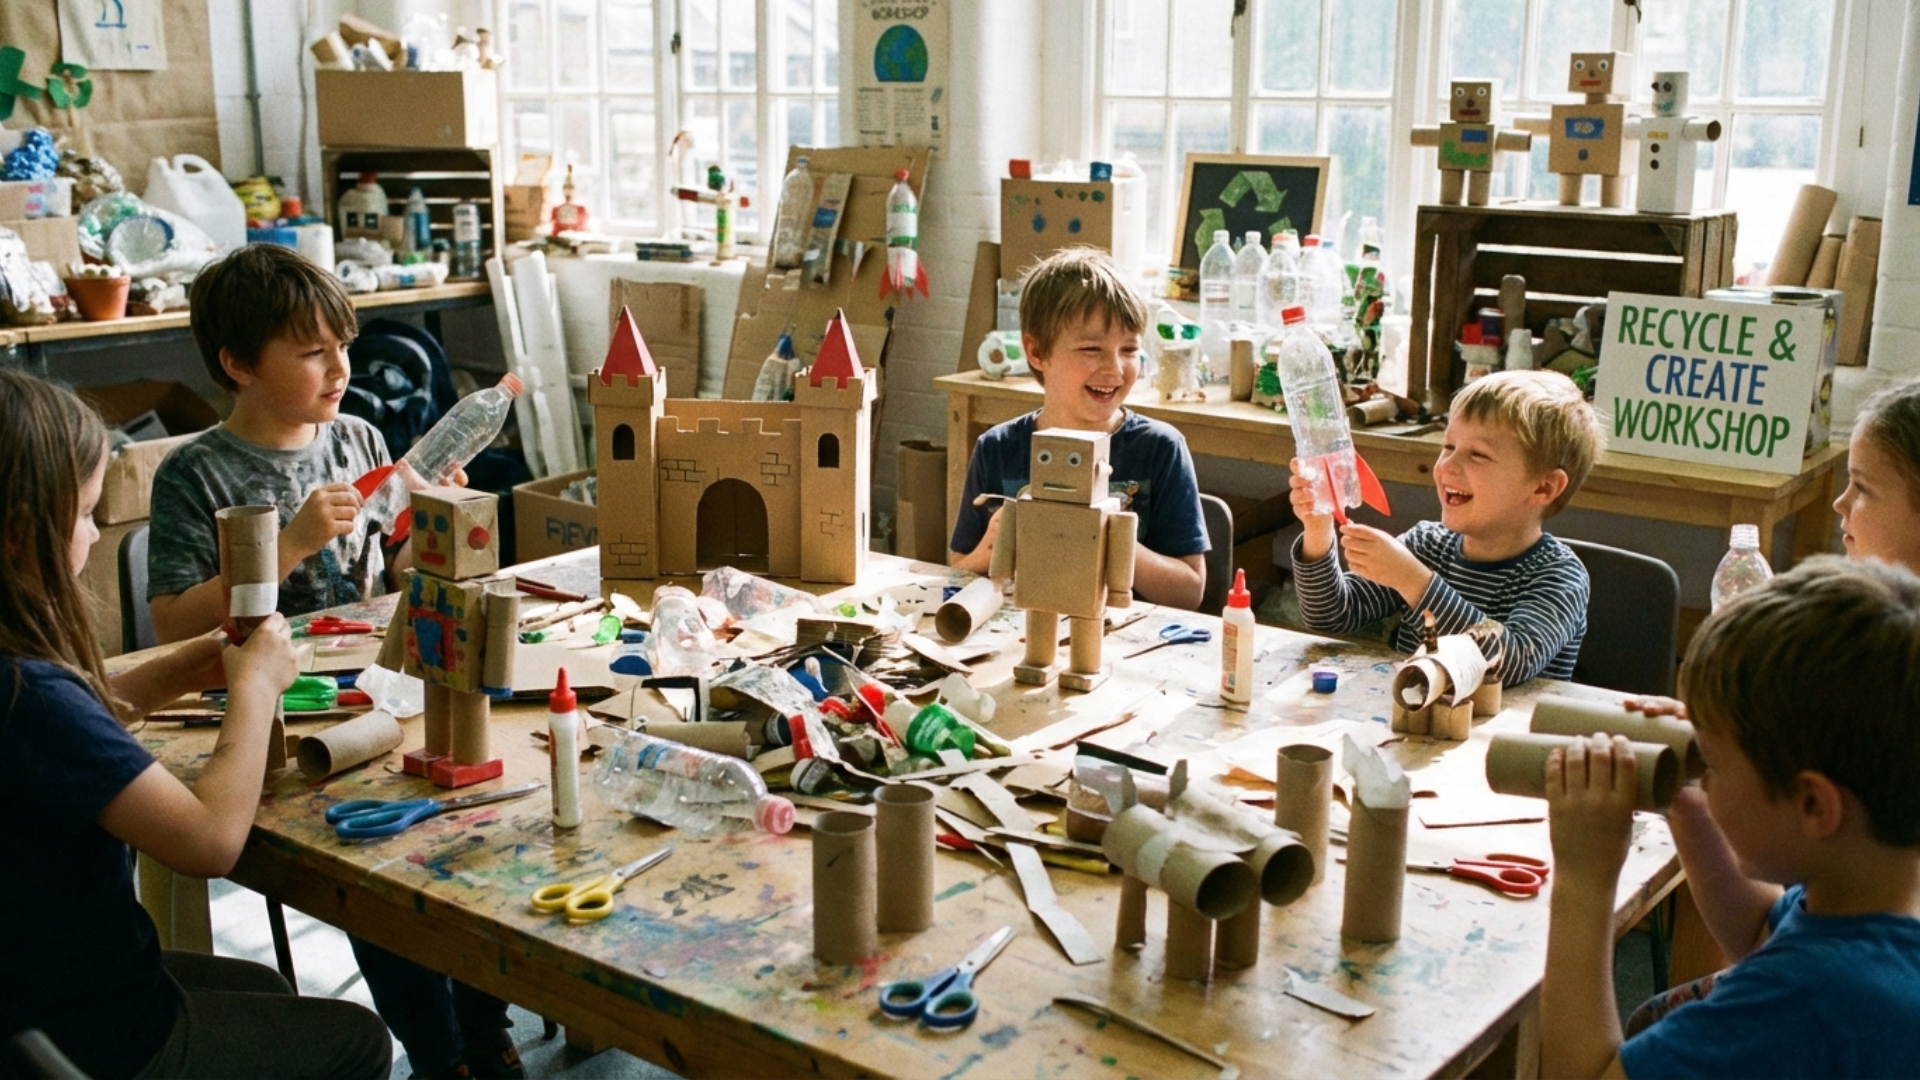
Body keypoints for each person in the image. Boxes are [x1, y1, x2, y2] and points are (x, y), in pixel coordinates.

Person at [144, 245, 519, 1078]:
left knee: (469, 825)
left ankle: (485, 1030)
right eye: (312, 351)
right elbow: (171, 621)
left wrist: (431, 525)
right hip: (280, 706)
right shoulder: (196, 470)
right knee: (374, 877)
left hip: (378, 685)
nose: (341, 368)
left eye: (343, 344)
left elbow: (389, 577)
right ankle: (439, 1051)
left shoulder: (354, 436)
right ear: (238, 364)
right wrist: (290, 543)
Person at [0, 369, 391, 1080]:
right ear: (22, 536)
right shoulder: (30, 697)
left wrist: (178, 672)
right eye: (87, 514)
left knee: (265, 989)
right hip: (88, 1039)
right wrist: (253, 688)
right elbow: (209, 842)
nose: (93, 534)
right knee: (357, 1039)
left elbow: (71, 740)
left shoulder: (21, 684)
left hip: (38, 989)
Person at [1540, 557, 1920, 1078]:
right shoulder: (1874, 898)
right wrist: (1684, 798)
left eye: (1713, 765)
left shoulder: (1800, 998)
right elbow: (1757, 929)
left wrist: (1584, 881)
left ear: (1813, 805)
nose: (1704, 776)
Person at [1288, 369, 1605, 685]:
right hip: (1411, 725)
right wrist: (1318, 528)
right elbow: (1329, 616)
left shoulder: (1559, 577)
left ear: (1543, 488)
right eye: (1449, 447)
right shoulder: (1427, 545)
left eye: (1478, 455)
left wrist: (1414, 582)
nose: (1447, 466)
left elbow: (1506, 663)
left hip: (1502, 733)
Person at [949, 247, 1208, 609]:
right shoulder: (997, 448)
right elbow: (956, 570)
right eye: (1091, 348)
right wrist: (993, 547)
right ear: (1037, 352)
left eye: (1130, 349)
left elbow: (1190, 592)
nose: (1115, 369)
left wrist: (1109, 534)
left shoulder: (1161, 448)